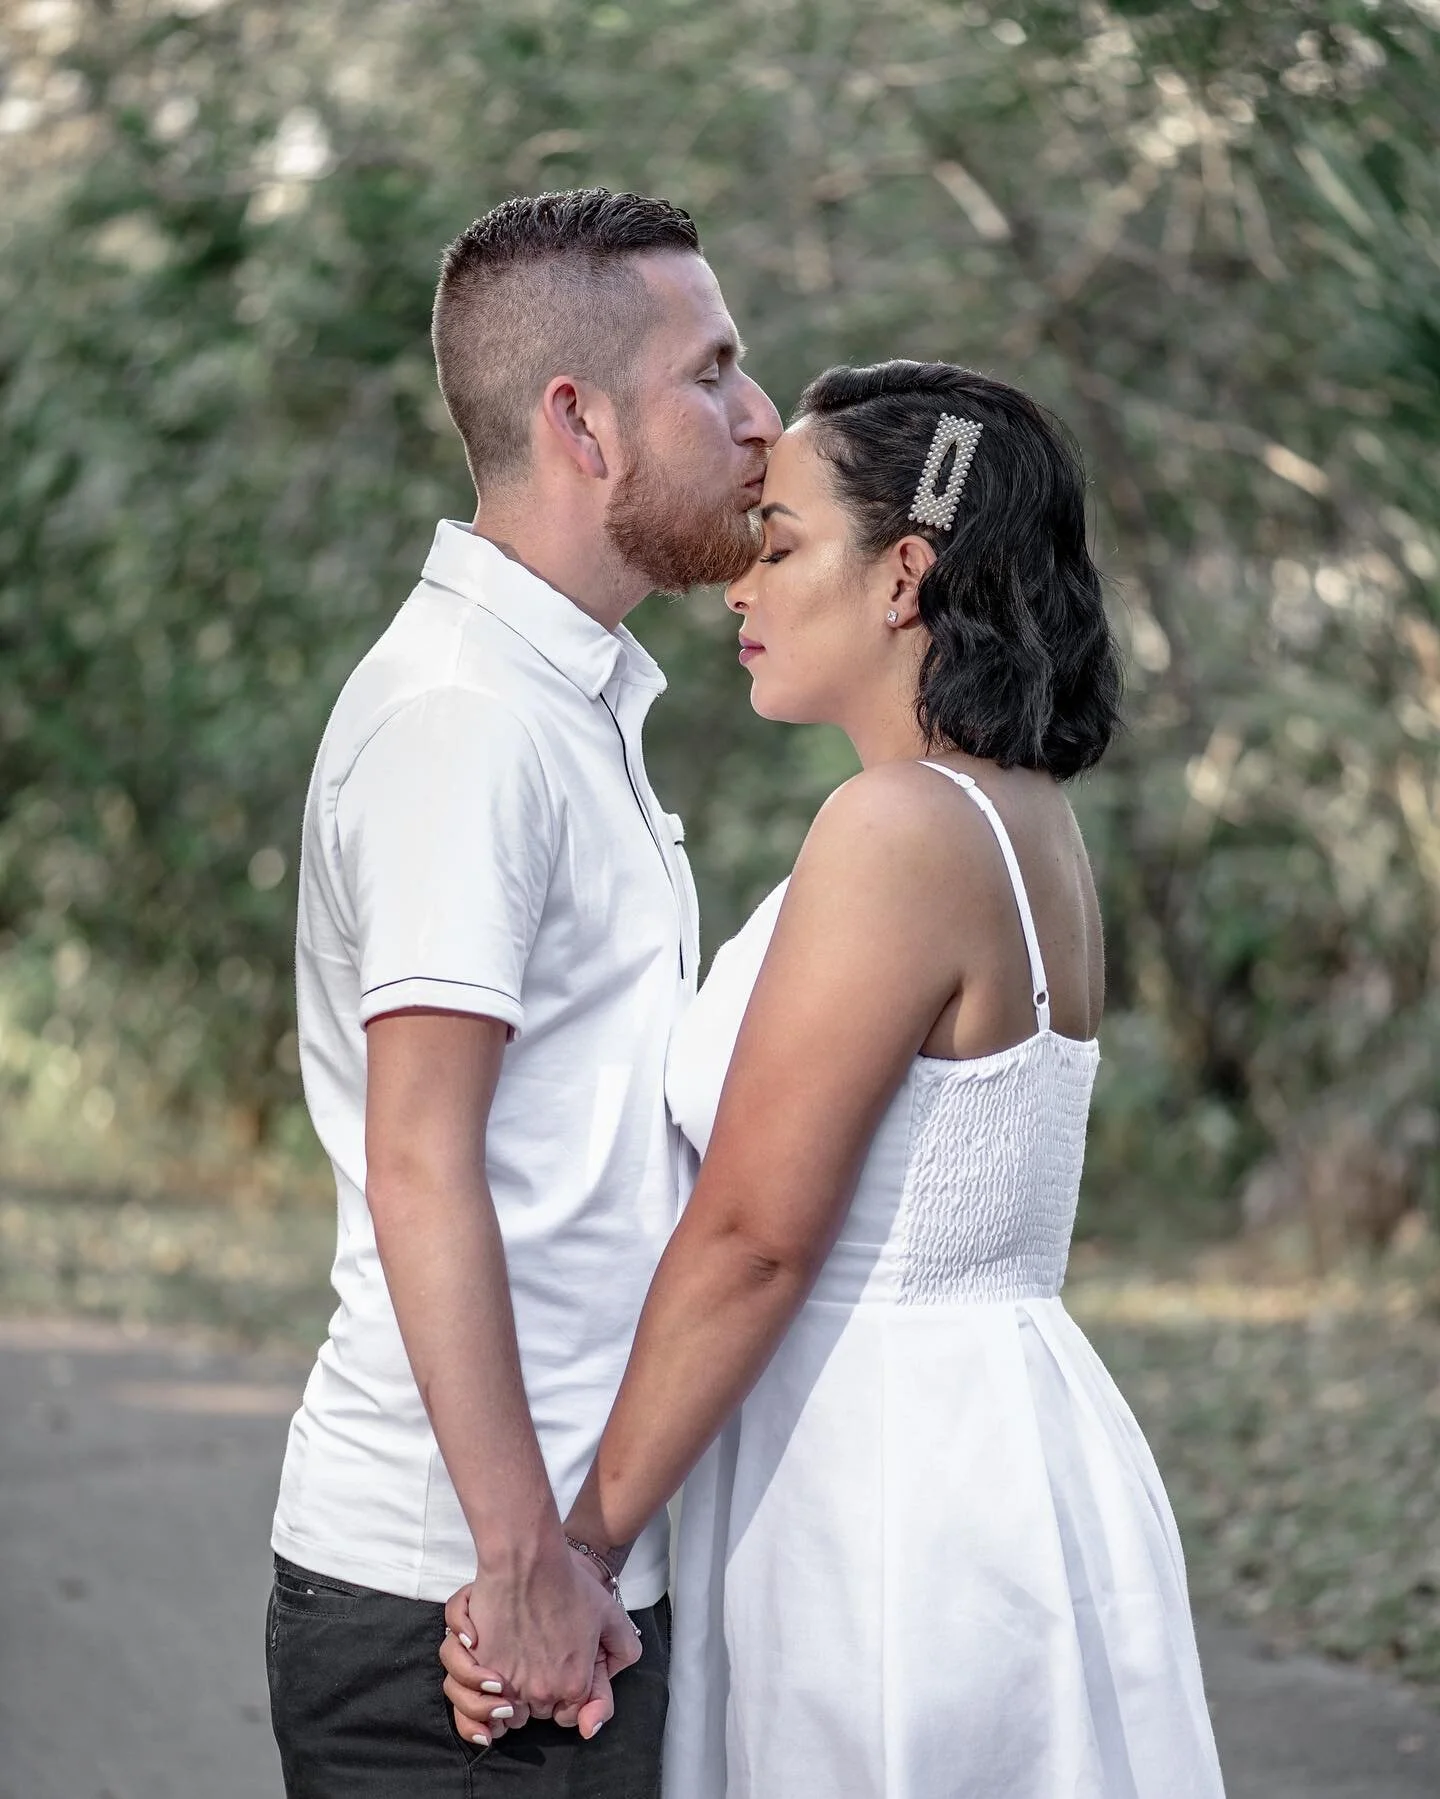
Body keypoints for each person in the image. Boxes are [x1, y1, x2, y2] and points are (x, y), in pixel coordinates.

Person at [443, 360, 1227, 1797]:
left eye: (782, 544)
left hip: (889, 1481)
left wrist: (580, 1549)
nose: (739, 588)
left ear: (903, 576)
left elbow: (756, 1235)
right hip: (996, 1435)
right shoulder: (1022, 814)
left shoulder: (898, 828)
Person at [266, 187, 781, 1797]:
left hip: (563, 1570)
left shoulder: (564, 699)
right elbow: (423, 1157)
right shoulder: (466, 716)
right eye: (713, 371)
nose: (762, 417)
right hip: (464, 1609)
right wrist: (519, 1563)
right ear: (581, 421)